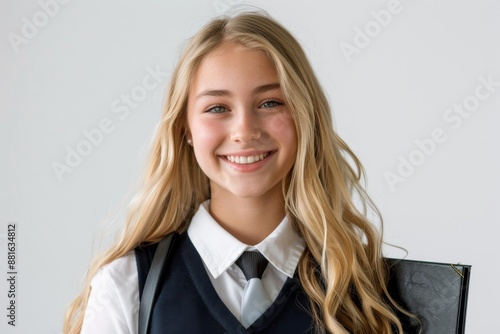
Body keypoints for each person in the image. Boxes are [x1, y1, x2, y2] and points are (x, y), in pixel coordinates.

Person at [64, 10, 416, 334]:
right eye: (217, 107)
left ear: (304, 119)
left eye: (270, 103)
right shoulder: (127, 285)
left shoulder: (369, 290)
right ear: (185, 129)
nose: (244, 130)